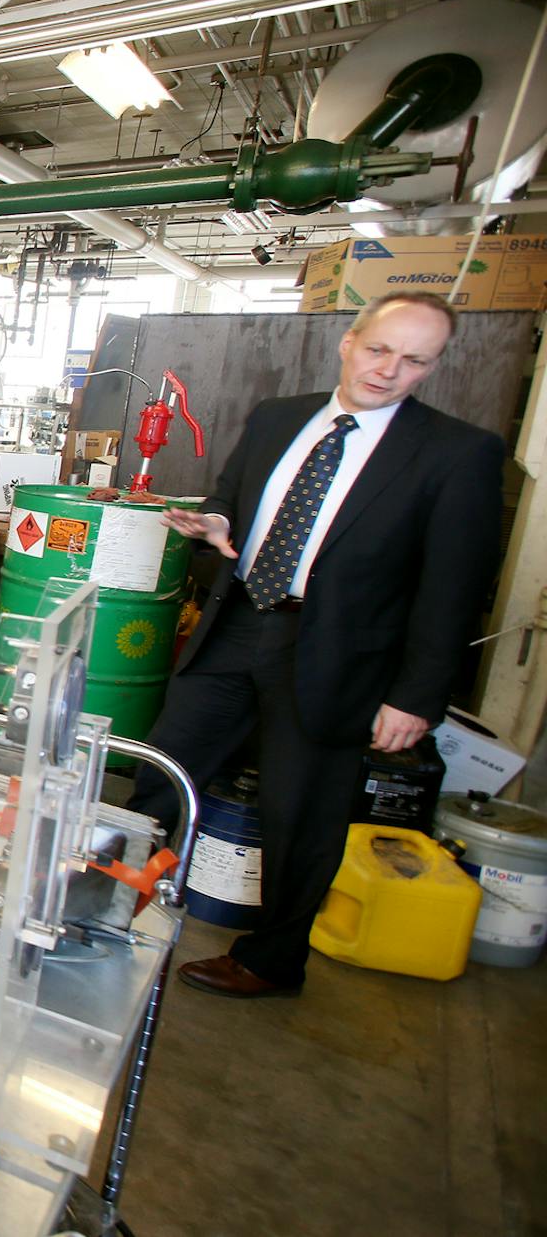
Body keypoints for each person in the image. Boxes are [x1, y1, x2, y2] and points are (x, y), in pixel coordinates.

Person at [128, 292, 503, 999]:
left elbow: (452, 588)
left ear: (432, 367)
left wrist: (416, 696)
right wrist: (213, 522)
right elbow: (232, 495)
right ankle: (111, 896)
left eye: (414, 360)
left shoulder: (457, 454)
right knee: (165, 762)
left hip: (335, 651)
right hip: (239, 617)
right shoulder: (279, 416)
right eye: (379, 349)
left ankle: (272, 959)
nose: (390, 370)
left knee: (300, 811)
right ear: (349, 341)